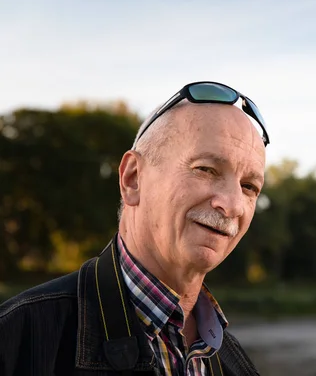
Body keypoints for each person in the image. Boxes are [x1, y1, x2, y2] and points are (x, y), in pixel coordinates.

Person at [0, 81, 270, 375]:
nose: (232, 205)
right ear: (133, 179)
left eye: (249, 186)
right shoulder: (18, 338)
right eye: (206, 169)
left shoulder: (234, 361)